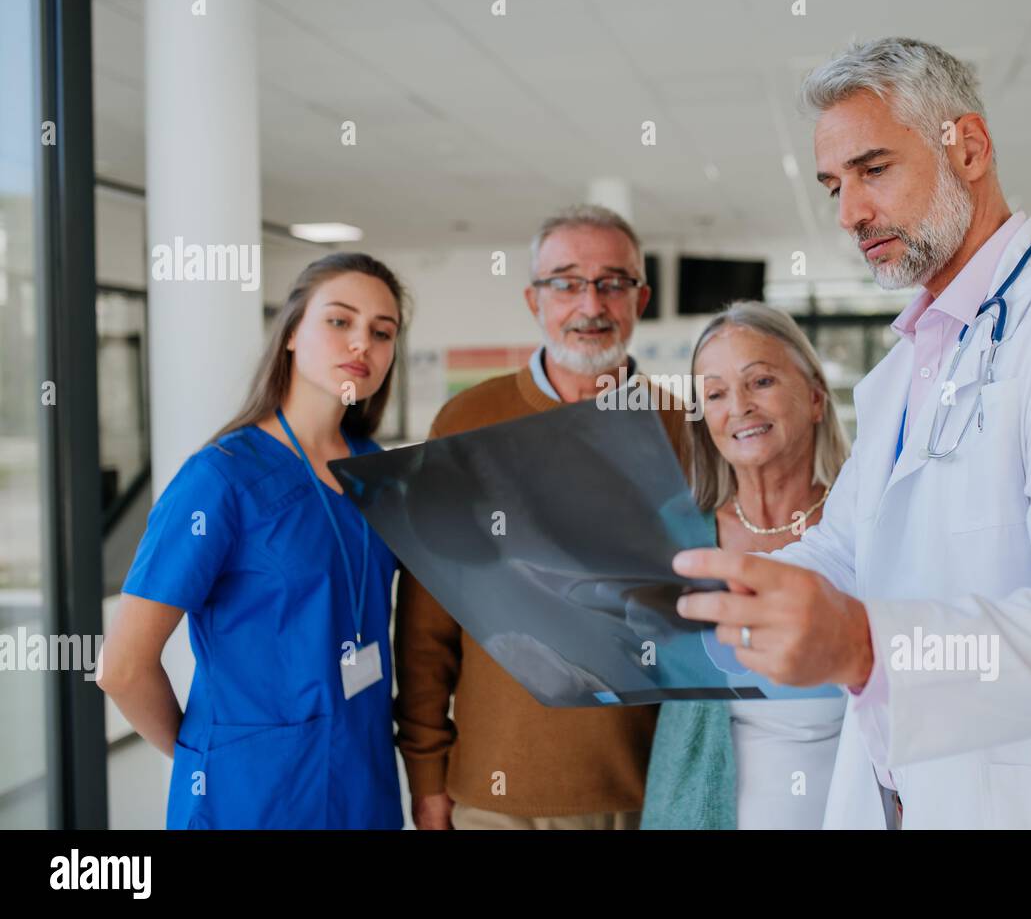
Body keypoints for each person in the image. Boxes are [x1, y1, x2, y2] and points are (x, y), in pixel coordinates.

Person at [673, 37, 1031, 829]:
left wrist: (867, 645)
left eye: (874, 169)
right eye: (834, 186)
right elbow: (842, 550)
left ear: (968, 146)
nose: (851, 213)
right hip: (907, 797)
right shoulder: (901, 374)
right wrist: (686, 595)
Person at [396, 203, 691, 830]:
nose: (591, 304)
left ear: (640, 299)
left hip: (651, 789)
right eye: (566, 282)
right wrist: (426, 776)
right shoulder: (464, 423)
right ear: (535, 300)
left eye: (614, 283)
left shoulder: (685, 430)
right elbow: (426, 626)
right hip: (498, 794)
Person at [98, 253, 408, 829]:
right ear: (291, 333)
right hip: (250, 798)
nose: (361, 342)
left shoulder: (379, 474)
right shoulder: (221, 478)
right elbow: (122, 668)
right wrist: (212, 757)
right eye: (339, 321)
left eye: (382, 332)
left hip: (363, 786)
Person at [642, 302, 850, 829]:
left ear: (816, 398)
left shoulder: (862, 523)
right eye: (714, 393)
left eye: (760, 381)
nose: (738, 407)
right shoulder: (677, 536)